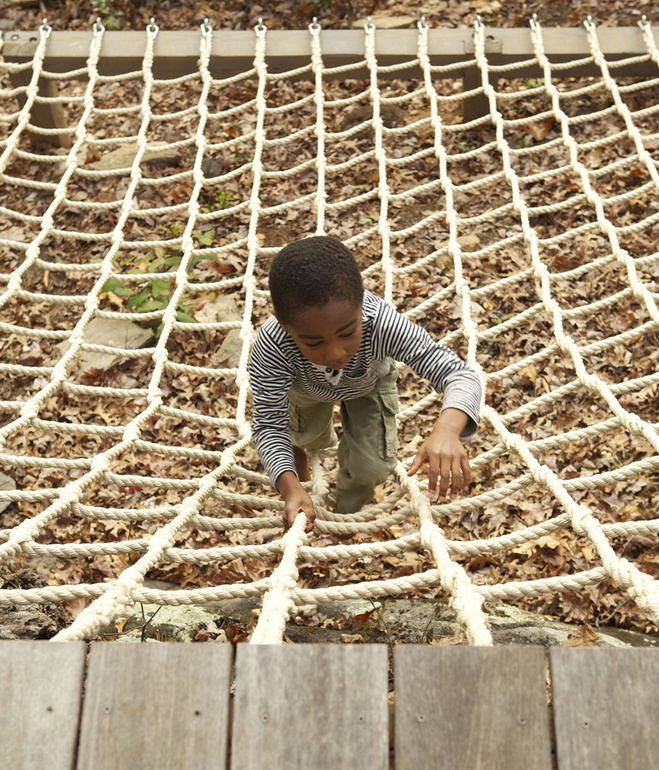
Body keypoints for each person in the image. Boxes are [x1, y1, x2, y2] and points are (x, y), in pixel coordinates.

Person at [249, 235, 481, 531]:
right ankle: (300, 454)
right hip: (304, 389)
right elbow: (269, 424)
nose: (335, 352)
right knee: (306, 439)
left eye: (347, 333)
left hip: (368, 383)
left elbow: (458, 374)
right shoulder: (273, 344)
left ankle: (343, 518)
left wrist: (447, 429)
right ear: (284, 326)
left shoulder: (380, 322)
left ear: (361, 305)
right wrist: (290, 487)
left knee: (371, 468)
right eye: (313, 341)